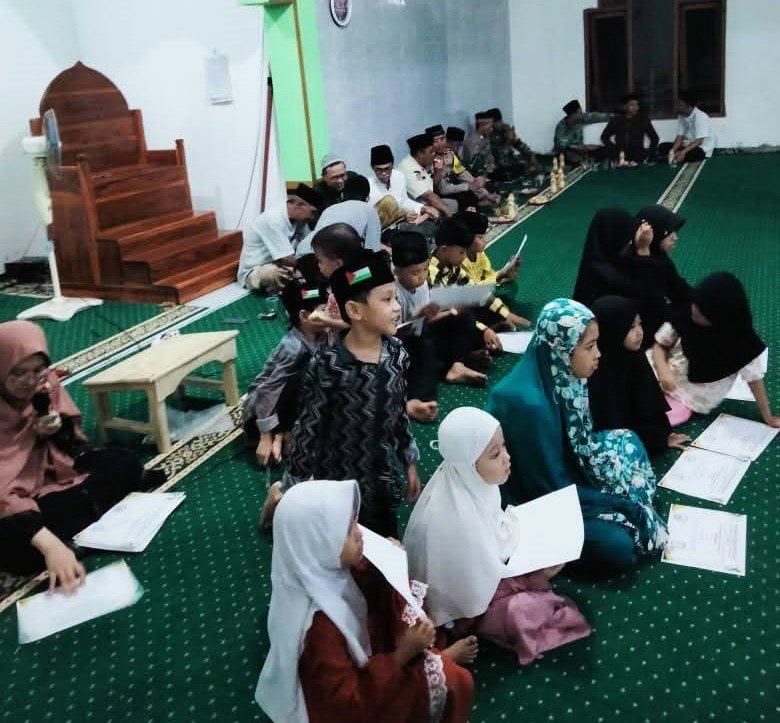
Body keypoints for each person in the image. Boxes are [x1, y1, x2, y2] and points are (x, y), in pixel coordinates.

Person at [255, 478, 475, 723]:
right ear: (319, 546)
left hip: (368, 659)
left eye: (354, 523)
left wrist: (390, 556)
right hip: (357, 699)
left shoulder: (322, 567)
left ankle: (431, 658)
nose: (360, 534)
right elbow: (348, 703)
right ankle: (437, 660)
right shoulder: (320, 630)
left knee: (398, 597)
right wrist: (402, 654)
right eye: (346, 532)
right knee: (456, 680)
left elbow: (370, 582)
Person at [486, 299, 668, 577]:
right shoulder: (530, 406)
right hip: (531, 499)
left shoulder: (561, 373)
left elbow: (579, 444)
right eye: (589, 346)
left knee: (628, 440)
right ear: (563, 348)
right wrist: (615, 502)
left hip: (563, 469)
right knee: (616, 546)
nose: (598, 354)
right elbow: (548, 493)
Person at [404, 407, 592, 665]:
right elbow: (474, 589)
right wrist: (535, 577)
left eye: (503, 447)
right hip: (464, 610)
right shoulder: (456, 520)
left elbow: (494, 533)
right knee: (521, 613)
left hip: (481, 580)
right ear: (469, 464)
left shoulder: (472, 483)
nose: (507, 457)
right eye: (495, 454)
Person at [265, 252, 421, 537]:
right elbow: (308, 429)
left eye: (396, 298)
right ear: (355, 310)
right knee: (338, 548)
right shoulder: (329, 365)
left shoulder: (397, 353)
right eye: (387, 300)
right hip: (337, 482)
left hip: (382, 478)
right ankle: (277, 497)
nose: (397, 307)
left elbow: (398, 413)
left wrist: (409, 461)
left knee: (383, 547)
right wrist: (293, 486)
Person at [0, 321, 156, 586]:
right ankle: (74, 527)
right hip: (9, 498)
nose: (30, 380)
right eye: (19, 373)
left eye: (38, 370)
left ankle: (74, 526)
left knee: (125, 462)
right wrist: (50, 545)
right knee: (18, 550)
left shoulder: (44, 384)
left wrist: (55, 429)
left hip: (53, 472)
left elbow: (72, 445)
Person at [650, 272, 778, 426]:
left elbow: (755, 379)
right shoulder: (687, 313)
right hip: (666, 368)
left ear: (720, 319)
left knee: (660, 417)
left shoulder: (741, 340)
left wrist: (768, 416)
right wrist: (663, 370)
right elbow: (659, 345)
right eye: (695, 305)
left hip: (691, 395)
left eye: (703, 314)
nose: (694, 312)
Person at [391, 231, 488, 423]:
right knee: (423, 342)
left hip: (421, 331)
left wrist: (450, 312)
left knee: (463, 316)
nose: (421, 277)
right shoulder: (390, 290)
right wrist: (419, 317)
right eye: (415, 273)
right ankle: (419, 399)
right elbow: (392, 337)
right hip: (401, 346)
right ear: (397, 271)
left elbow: (426, 322)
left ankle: (457, 366)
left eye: (425, 269)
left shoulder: (421, 283)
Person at [243, 278, 328, 467]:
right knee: (304, 375)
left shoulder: (322, 335)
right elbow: (267, 391)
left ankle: (284, 435)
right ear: (304, 316)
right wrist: (265, 435)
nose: (330, 314)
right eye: (324, 310)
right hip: (264, 411)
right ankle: (279, 435)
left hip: (294, 404)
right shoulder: (293, 347)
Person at [589, 296, 690, 453]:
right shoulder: (595, 369)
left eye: (640, 324)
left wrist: (662, 436)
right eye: (631, 327)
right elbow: (610, 422)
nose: (640, 332)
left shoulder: (635, 355)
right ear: (612, 329)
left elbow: (650, 402)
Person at [619, 205, 693, 348]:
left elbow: (680, 291)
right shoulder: (628, 261)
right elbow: (650, 307)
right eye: (669, 233)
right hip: (639, 332)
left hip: (656, 317)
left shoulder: (660, 258)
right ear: (655, 233)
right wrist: (644, 255)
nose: (675, 237)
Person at [427, 218, 504, 354]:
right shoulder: (431, 274)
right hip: (444, 322)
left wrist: (504, 312)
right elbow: (449, 314)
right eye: (462, 253)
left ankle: (484, 338)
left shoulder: (452, 265)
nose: (464, 257)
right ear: (444, 250)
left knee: (491, 306)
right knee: (461, 321)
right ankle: (469, 352)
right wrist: (484, 329)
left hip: (459, 313)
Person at [237, 184, 323, 292]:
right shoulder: (273, 219)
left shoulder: (301, 219)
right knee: (273, 274)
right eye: (313, 212)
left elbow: (309, 246)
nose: (313, 217)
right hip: (257, 269)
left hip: (283, 264)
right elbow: (286, 258)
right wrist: (314, 268)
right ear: (298, 204)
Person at [571, 207, 652, 308]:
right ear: (615, 236)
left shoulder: (598, 257)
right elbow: (648, 294)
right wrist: (644, 250)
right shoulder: (606, 275)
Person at [296, 176, 381, 258]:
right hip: (327, 255)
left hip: (303, 251)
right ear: (367, 199)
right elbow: (373, 249)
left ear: (342, 195)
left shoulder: (329, 209)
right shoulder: (369, 210)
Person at [426, 124, 497, 211]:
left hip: (448, 188)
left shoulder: (448, 154)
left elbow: (462, 174)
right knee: (467, 197)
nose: (440, 144)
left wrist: (485, 193)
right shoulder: (428, 159)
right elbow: (442, 189)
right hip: (435, 195)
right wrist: (468, 186)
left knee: (479, 190)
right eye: (435, 141)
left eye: (442, 139)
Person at [367, 144, 439, 229]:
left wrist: (423, 208)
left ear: (392, 165)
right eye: (379, 170)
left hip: (403, 223)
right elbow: (375, 216)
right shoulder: (368, 186)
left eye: (387, 168)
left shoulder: (399, 176)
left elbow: (403, 201)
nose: (384, 173)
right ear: (372, 168)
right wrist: (401, 216)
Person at [397, 133, 455, 218]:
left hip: (427, 203)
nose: (434, 154)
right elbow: (428, 196)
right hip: (415, 212)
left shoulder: (422, 162)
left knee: (454, 204)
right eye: (431, 152)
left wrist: (437, 170)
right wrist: (450, 214)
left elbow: (433, 187)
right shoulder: (408, 167)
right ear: (420, 154)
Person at [600, 94, 659, 165]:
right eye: (632, 105)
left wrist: (650, 154)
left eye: (637, 105)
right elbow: (604, 137)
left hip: (638, 157)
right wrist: (613, 150)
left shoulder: (643, 120)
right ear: (625, 106)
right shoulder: (616, 120)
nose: (635, 108)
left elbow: (654, 138)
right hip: (620, 157)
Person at [658, 91, 714, 164]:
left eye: (679, 104)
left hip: (701, 147)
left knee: (695, 154)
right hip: (688, 144)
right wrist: (672, 151)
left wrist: (682, 152)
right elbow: (679, 137)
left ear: (689, 106)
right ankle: (674, 156)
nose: (677, 106)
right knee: (662, 146)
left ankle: (675, 156)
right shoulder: (682, 115)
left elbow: (699, 141)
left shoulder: (701, 117)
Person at [485, 108, 540, 179]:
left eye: (500, 121)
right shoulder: (488, 135)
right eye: (496, 122)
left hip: (510, 162)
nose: (500, 123)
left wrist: (531, 155)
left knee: (530, 165)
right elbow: (499, 156)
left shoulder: (505, 129)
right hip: (497, 166)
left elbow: (518, 144)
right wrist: (508, 140)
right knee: (521, 169)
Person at [554, 100, 610, 166]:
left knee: (604, 150)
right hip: (566, 152)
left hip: (581, 150)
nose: (582, 114)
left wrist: (612, 116)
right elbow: (563, 145)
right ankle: (584, 161)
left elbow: (594, 116)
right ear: (573, 115)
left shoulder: (580, 119)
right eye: (580, 112)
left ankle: (586, 160)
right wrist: (585, 147)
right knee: (570, 154)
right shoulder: (561, 126)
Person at [462, 112, 496, 177]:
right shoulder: (472, 141)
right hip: (474, 177)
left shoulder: (485, 138)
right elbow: (475, 165)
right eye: (490, 126)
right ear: (482, 125)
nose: (491, 129)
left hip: (486, 174)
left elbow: (490, 159)